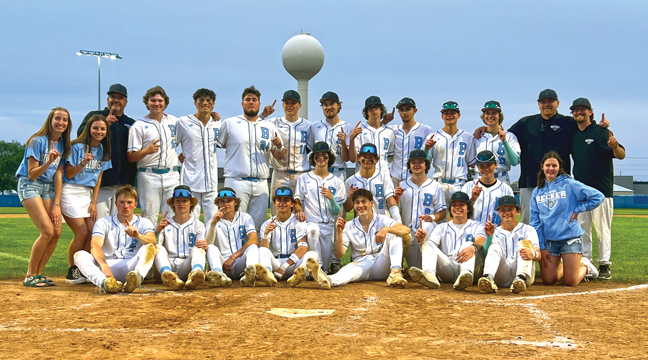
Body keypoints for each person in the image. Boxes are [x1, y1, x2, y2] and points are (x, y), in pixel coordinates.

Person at [506, 89, 608, 224]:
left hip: (559, 183)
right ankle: (529, 246)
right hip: (530, 181)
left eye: (550, 101)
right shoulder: (526, 123)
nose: (546, 104)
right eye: (543, 102)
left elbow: (586, 127)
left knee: (558, 221)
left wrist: (601, 127)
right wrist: (484, 129)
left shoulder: (568, 123)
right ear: (538, 105)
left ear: (558, 103)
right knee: (529, 222)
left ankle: (554, 246)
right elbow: (505, 136)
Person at [300, 189, 409, 289]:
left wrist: (386, 229)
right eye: (357, 202)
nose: (360, 205)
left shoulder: (382, 220)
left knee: (394, 233)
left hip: (382, 261)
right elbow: (339, 254)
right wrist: (339, 233)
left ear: (371, 203)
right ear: (353, 205)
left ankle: (395, 272)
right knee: (346, 272)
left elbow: (406, 230)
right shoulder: (349, 226)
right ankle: (326, 279)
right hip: (361, 263)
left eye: (364, 201)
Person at [15, 107, 71, 287]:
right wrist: (48, 161)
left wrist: (56, 204)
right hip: (30, 184)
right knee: (47, 230)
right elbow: (31, 174)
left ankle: (38, 274)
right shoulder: (37, 141)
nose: (61, 122)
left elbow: (58, 175)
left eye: (65, 120)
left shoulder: (63, 144)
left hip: (49, 188)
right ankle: (30, 275)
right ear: (50, 120)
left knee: (56, 232)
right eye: (57, 119)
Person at [530, 151, 604, 286]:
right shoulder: (537, 191)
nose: (550, 169)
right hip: (550, 241)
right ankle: (569, 268)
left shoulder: (569, 184)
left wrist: (578, 209)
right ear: (542, 166)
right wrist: (541, 247)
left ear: (559, 168)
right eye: (548, 165)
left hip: (570, 238)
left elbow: (598, 197)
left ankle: (586, 267)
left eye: (554, 166)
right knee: (548, 280)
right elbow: (535, 221)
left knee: (571, 281)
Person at [571, 98, 625, 280]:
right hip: (580, 191)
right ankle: (587, 264)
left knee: (602, 229)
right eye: (576, 110)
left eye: (583, 110)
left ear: (590, 112)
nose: (579, 112)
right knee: (583, 229)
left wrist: (614, 146)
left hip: (601, 189)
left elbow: (621, 155)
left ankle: (604, 265)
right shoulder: (573, 133)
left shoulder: (601, 132)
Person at [217, 86, 284, 230]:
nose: (251, 102)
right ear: (242, 103)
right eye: (248, 99)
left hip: (261, 182)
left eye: (254, 100)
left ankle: (255, 252)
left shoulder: (269, 126)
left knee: (257, 226)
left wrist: (279, 147)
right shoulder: (230, 123)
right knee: (234, 225)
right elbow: (217, 145)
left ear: (259, 104)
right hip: (237, 180)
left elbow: (279, 156)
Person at [73, 185, 157, 293]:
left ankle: (137, 277)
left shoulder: (143, 222)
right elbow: (95, 245)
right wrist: (103, 265)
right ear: (116, 203)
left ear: (136, 205)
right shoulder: (103, 222)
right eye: (122, 202)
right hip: (108, 265)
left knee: (150, 247)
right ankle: (105, 282)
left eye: (129, 202)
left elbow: (153, 240)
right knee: (79, 255)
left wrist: (138, 236)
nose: (125, 206)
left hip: (131, 266)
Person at [62, 114, 112, 284]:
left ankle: (82, 268)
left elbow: (98, 178)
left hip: (87, 194)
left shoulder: (103, 151)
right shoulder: (76, 147)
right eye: (95, 128)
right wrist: (83, 162)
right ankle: (72, 269)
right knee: (81, 231)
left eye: (103, 129)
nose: (99, 131)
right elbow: (68, 174)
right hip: (71, 190)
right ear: (89, 129)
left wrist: (94, 202)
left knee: (92, 232)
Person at [77, 84, 137, 218]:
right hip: (100, 181)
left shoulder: (131, 123)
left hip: (122, 181)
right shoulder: (95, 116)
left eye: (120, 98)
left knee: (119, 225)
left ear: (126, 102)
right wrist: (104, 123)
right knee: (99, 223)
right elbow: (80, 136)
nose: (116, 100)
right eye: (112, 97)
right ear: (107, 99)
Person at [408, 191, 485, 291]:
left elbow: (481, 240)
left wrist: (473, 248)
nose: (457, 207)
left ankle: (465, 276)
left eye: (461, 204)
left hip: (472, 269)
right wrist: (421, 241)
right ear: (450, 209)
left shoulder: (477, 225)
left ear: (468, 208)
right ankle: (430, 276)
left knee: (468, 244)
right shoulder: (442, 227)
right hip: (448, 267)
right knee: (427, 244)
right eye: (454, 205)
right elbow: (430, 247)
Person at [127, 86, 180, 226]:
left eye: (160, 100)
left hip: (171, 174)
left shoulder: (174, 121)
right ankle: (149, 246)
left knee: (173, 215)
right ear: (147, 102)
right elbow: (131, 156)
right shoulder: (138, 125)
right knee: (149, 216)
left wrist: (211, 116)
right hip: (149, 175)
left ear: (165, 103)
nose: (157, 103)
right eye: (153, 100)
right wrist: (146, 151)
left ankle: (168, 247)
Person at [205, 187, 277, 287]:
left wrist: (233, 257)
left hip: (239, 261)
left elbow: (254, 240)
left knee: (253, 247)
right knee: (211, 248)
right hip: (221, 262)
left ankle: (249, 275)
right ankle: (219, 275)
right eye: (222, 201)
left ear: (236, 202)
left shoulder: (245, 217)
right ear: (218, 203)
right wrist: (213, 224)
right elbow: (208, 245)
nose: (226, 204)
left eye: (229, 200)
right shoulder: (212, 221)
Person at [294, 142, 347, 273]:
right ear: (313, 159)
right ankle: (317, 269)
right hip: (311, 222)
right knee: (312, 231)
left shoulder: (337, 182)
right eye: (317, 156)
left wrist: (331, 198)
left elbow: (336, 211)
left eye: (324, 156)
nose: (321, 159)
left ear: (329, 158)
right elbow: (296, 200)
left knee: (325, 267)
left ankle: (318, 269)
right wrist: (299, 209)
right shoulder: (304, 178)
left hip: (328, 226)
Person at [175, 88, 221, 229]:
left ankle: (211, 249)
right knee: (189, 221)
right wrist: (177, 158)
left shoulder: (218, 124)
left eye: (208, 101)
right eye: (201, 100)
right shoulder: (183, 122)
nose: (205, 103)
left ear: (213, 104)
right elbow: (171, 144)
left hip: (211, 183)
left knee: (212, 222)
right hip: (191, 180)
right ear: (195, 103)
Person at [258, 187, 323, 286]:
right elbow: (264, 250)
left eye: (286, 200)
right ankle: (268, 274)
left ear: (292, 204)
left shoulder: (298, 222)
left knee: (312, 254)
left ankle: (297, 277)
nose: (282, 203)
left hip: (293, 265)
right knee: (261, 250)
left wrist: (284, 267)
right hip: (276, 263)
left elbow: (302, 247)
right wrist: (266, 234)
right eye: (279, 200)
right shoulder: (267, 224)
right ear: (274, 203)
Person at [262, 90, 311, 216]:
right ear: (282, 105)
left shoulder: (307, 125)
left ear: (299, 105)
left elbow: (310, 150)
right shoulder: (273, 122)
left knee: (301, 213)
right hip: (280, 173)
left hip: (301, 174)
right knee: (277, 213)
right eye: (286, 103)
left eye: (293, 103)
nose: (290, 105)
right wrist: (263, 116)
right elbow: (252, 125)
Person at [394, 149, 446, 269]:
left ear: (426, 165)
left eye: (420, 162)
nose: (417, 165)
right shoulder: (402, 186)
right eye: (413, 162)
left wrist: (432, 217)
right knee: (415, 267)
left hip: (427, 231)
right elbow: (395, 210)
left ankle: (430, 270)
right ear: (409, 165)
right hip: (408, 232)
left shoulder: (435, 186)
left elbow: (443, 212)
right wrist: (396, 198)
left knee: (427, 226)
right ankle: (397, 268)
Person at [477, 196, 540, 294]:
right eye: (503, 210)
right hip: (502, 273)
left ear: (518, 211)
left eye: (510, 209)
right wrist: (489, 237)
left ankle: (521, 278)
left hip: (524, 272)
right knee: (494, 247)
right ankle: (487, 278)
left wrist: (533, 254)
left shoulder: (528, 229)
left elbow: (538, 254)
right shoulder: (495, 231)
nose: (507, 213)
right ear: (499, 213)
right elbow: (486, 254)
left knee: (524, 244)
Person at [154, 185, 207, 290]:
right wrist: (158, 230)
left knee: (199, 248)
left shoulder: (198, 225)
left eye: (185, 200)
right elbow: (154, 246)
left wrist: (205, 245)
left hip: (188, 266)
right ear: (173, 203)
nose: (181, 203)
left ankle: (196, 274)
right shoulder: (165, 223)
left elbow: (201, 248)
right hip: (167, 264)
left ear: (191, 203)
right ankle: (168, 275)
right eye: (177, 200)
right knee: (157, 247)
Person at [424, 101, 476, 205]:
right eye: (446, 113)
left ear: (459, 115)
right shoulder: (433, 137)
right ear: (442, 116)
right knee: (437, 218)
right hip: (439, 183)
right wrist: (426, 149)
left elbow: (472, 163)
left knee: (461, 218)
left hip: (459, 184)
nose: (449, 116)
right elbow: (425, 163)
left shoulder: (467, 138)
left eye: (453, 113)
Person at [345, 143, 400, 221]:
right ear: (359, 158)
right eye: (364, 156)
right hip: (361, 224)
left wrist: (397, 219)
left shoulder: (384, 177)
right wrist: (350, 197)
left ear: (376, 160)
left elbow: (390, 200)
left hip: (382, 221)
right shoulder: (351, 181)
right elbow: (347, 208)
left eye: (371, 157)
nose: (367, 159)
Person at [388, 97, 433, 186]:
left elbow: (428, 158)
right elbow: (376, 133)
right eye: (401, 110)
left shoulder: (425, 130)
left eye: (408, 109)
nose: (404, 112)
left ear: (415, 110)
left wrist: (426, 149)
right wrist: (384, 122)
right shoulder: (392, 130)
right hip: (396, 180)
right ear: (398, 112)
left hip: (416, 180)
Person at [309, 91, 353, 181]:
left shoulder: (347, 127)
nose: (329, 107)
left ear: (338, 105)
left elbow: (347, 158)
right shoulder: (315, 126)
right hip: (317, 173)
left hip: (338, 173)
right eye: (325, 104)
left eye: (332, 104)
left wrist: (343, 142)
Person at [461, 150, 513, 224]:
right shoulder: (468, 187)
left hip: (497, 232)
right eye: (482, 166)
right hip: (472, 231)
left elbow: (511, 215)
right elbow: (460, 214)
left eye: (489, 165)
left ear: (495, 165)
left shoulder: (506, 189)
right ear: (478, 168)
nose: (485, 169)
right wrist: (472, 199)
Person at [474, 101, 520, 184]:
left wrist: (504, 142)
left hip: (501, 178)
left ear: (500, 116)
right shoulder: (477, 137)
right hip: (480, 178)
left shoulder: (509, 136)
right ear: (483, 116)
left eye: (494, 113)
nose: (490, 116)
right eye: (487, 113)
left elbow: (514, 162)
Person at [348, 96, 395, 176]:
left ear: (381, 110)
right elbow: (353, 159)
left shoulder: (389, 132)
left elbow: (390, 156)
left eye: (376, 107)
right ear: (366, 112)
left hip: (383, 175)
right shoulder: (359, 130)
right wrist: (351, 139)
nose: (373, 110)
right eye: (370, 108)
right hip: (362, 175)